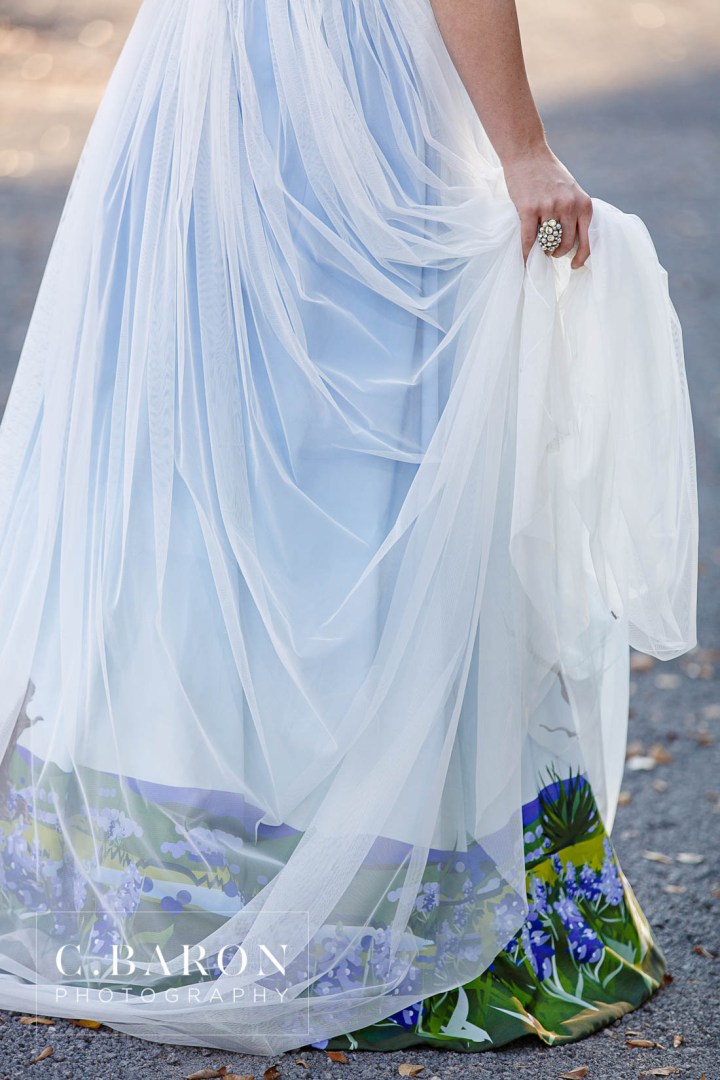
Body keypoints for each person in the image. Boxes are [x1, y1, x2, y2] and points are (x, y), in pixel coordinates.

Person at [0, 0, 698, 1059]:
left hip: (198, 78)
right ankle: (387, 883)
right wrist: (522, 147)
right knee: (371, 439)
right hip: (347, 87)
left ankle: (194, 878)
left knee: (218, 452)